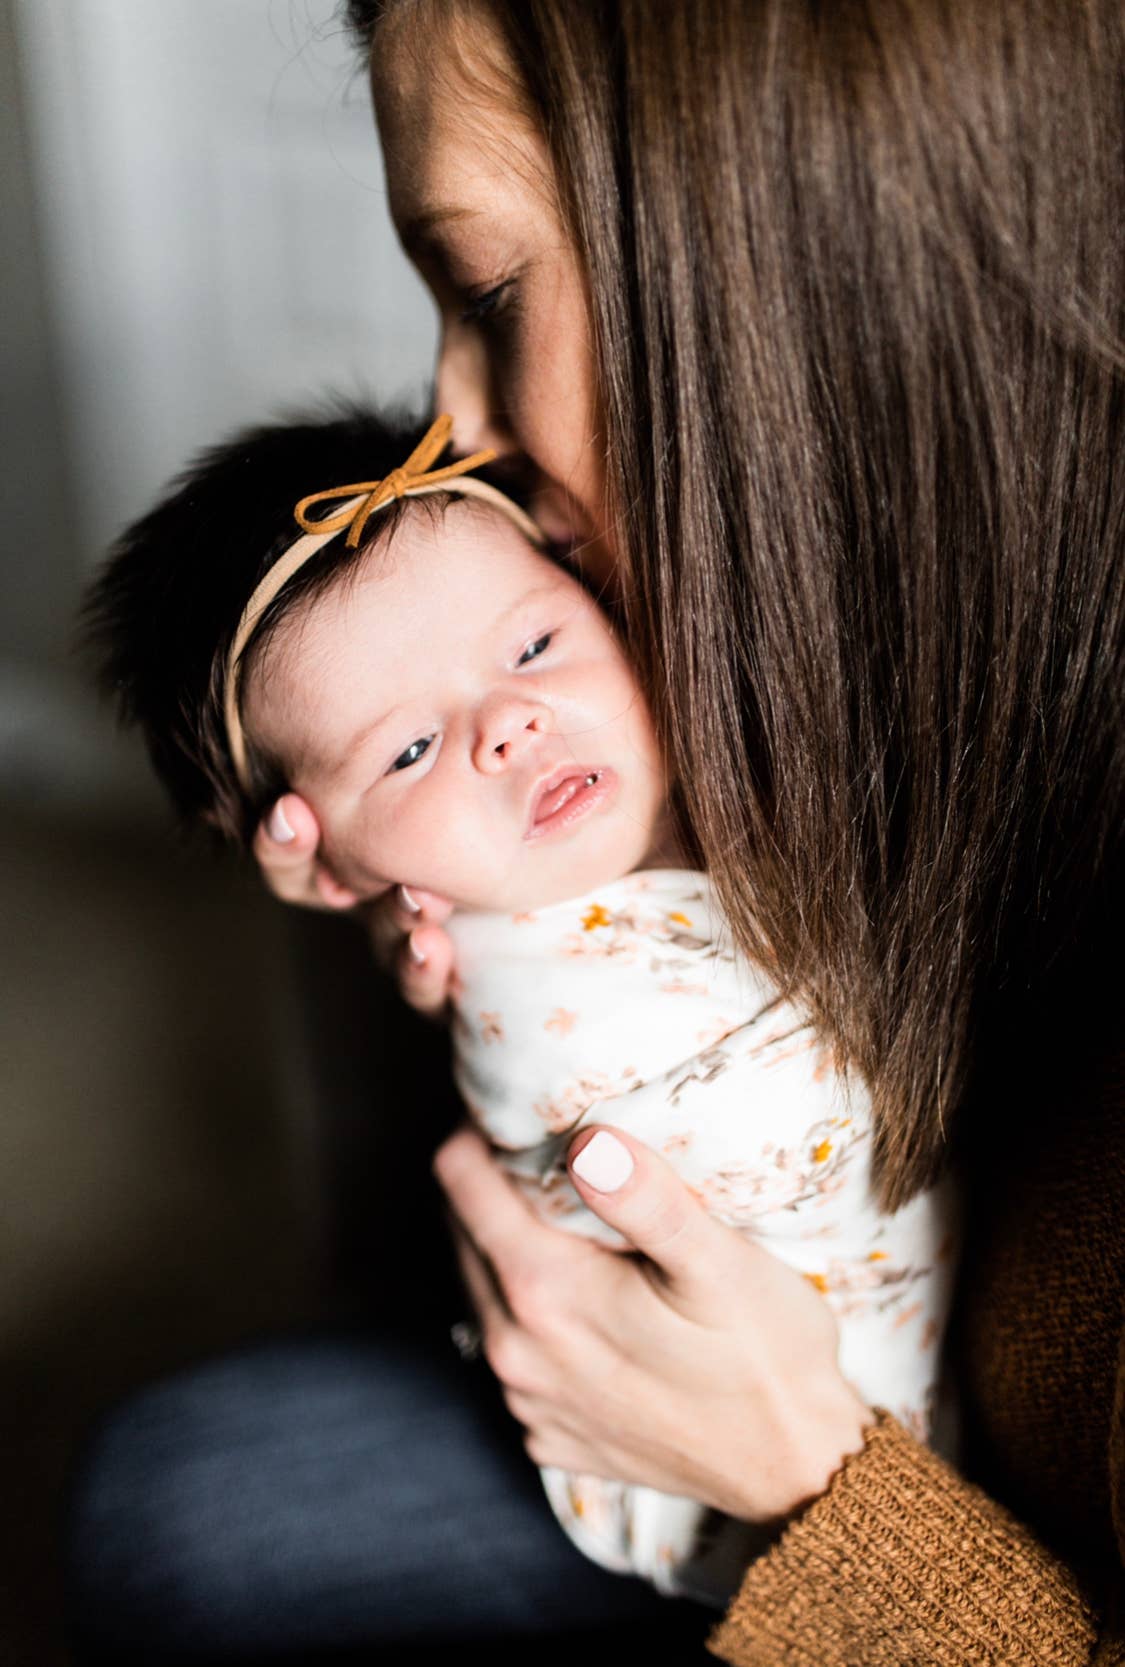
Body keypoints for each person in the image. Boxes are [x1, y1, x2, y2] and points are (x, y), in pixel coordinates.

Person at [67, 1, 1123, 1662]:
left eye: (487, 289)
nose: (451, 425)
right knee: (181, 1492)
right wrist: (472, 913)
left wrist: (809, 1485)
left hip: (904, 1537)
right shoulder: (706, 636)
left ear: (819, 259)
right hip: (747, 1433)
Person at [80, 400, 955, 1608]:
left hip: (889, 1410)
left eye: (534, 647)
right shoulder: (551, 999)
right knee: (156, 1502)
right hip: (755, 1495)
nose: (508, 726)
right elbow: (834, 1093)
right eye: (407, 751)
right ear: (327, 860)